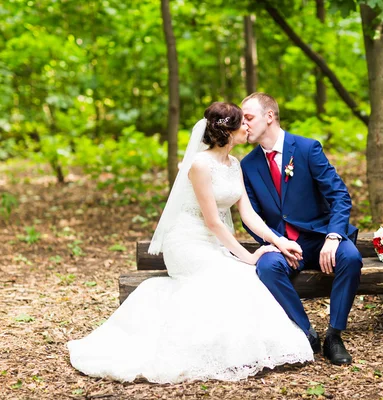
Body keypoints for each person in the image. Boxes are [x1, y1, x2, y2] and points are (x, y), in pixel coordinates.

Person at [67, 102, 313, 384]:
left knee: (247, 279)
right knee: (237, 275)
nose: (247, 127)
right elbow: (212, 221)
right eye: (241, 123)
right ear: (228, 131)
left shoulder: (234, 165)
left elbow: (248, 213)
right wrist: (248, 256)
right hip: (187, 243)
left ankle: (240, 349)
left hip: (213, 243)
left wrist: (279, 241)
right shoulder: (199, 164)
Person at [240, 93, 363, 366]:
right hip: (281, 244)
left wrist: (333, 236)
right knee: (267, 267)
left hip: (320, 237)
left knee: (351, 257)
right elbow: (253, 216)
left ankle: (334, 335)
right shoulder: (247, 165)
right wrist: (275, 242)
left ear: (269, 116)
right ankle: (306, 332)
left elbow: (340, 196)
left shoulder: (307, 149)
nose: (244, 124)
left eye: (248, 118)